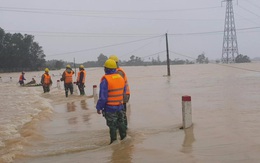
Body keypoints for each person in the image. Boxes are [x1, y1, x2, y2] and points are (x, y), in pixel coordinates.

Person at [96, 59, 127, 144]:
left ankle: (114, 143)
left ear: (106, 69)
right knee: (121, 123)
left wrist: (99, 107)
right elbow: (123, 92)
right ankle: (125, 139)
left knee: (112, 126)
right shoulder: (121, 78)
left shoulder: (105, 80)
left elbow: (103, 97)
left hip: (110, 108)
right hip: (120, 106)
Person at [109, 55, 131, 128]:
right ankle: (123, 129)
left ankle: (124, 128)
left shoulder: (118, 72)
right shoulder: (116, 72)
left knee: (122, 113)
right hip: (123, 94)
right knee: (121, 113)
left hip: (123, 95)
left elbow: (118, 85)